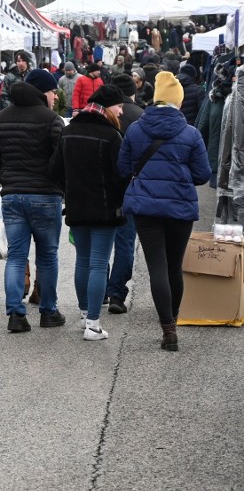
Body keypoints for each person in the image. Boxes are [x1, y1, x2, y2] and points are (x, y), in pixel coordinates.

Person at [118, 72, 211, 351]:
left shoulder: (135, 129)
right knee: (174, 266)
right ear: (177, 102)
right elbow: (203, 174)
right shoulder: (191, 133)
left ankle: (167, 328)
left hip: (146, 208)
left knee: (156, 265)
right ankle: (174, 319)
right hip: (180, 207)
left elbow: (123, 169)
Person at [0, 68, 66, 333]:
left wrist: (6, 177)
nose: (55, 97)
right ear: (43, 93)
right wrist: (54, 181)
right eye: (53, 92)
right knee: (48, 255)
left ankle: (16, 314)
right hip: (46, 196)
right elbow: (61, 157)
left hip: (13, 196)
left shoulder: (2, 117)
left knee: (16, 257)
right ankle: (48, 311)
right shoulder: (51, 119)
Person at [51, 85, 128, 341]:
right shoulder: (112, 136)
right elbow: (122, 175)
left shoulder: (69, 131)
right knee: (98, 263)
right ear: (107, 108)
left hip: (76, 207)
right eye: (118, 106)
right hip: (106, 211)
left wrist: (70, 190)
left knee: (83, 261)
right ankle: (93, 325)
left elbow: (55, 170)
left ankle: (85, 313)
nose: (122, 110)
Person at [105, 74, 146, 314]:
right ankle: (117, 294)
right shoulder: (141, 116)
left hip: (102, 189)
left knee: (100, 243)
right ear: (132, 92)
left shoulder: (100, 113)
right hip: (130, 189)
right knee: (125, 242)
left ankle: (99, 291)